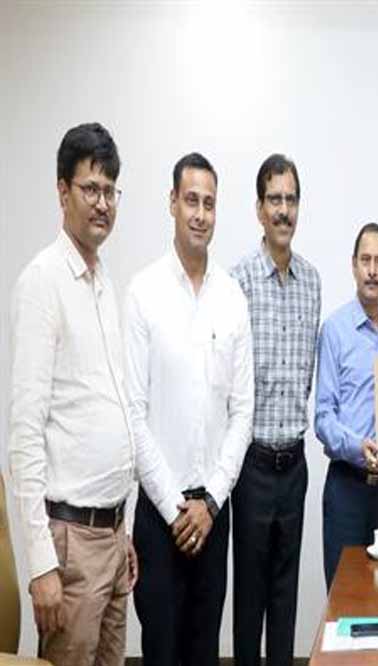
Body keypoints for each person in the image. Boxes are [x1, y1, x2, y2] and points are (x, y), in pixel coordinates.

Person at [8, 122, 137, 665]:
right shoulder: (43, 282)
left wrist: (122, 530)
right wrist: (41, 564)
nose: (102, 203)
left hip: (111, 536)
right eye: (90, 189)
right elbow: (24, 434)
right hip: (69, 545)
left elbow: (105, 412)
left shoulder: (103, 282)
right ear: (63, 192)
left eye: (110, 191)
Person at [125, 152, 254, 666]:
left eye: (209, 204)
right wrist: (175, 507)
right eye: (192, 201)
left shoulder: (232, 298)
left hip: (213, 516)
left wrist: (211, 503)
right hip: (160, 519)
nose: (201, 214)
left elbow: (242, 413)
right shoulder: (143, 293)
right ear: (172, 203)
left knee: (204, 653)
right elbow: (133, 413)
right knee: (161, 653)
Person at [230, 154, 321, 666]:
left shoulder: (312, 281)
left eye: (291, 199)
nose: (283, 210)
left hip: (295, 464)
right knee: (250, 598)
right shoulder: (238, 281)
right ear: (259, 209)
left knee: (286, 598)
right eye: (274, 200)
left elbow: (306, 375)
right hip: (253, 466)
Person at [315, 222, 378, 587]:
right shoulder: (335, 330)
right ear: (353, 265)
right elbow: (323, 416)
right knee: (345, 598)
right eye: (365, 260)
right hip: (347, 489)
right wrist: (358, 446)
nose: (372, 270)